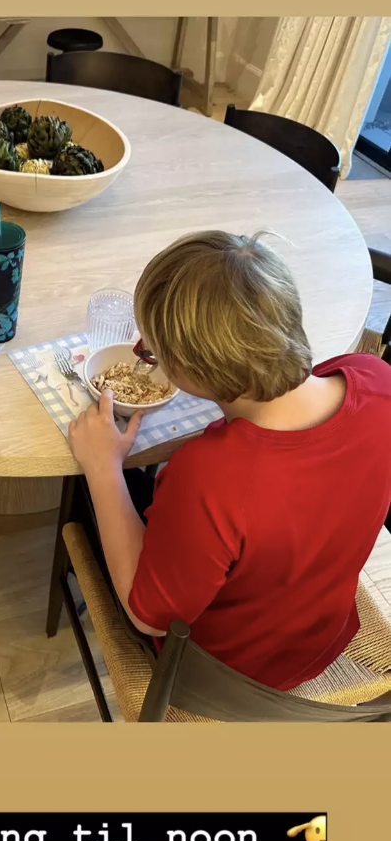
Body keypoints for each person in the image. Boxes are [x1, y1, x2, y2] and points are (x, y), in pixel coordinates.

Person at [69, 230, 391, 691]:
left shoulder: (209, 476)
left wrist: (102, 467)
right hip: (321, 632)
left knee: (95, 496)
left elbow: (149, 617)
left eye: (154, 348)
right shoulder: (375, 376)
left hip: (227, 675)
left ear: (186, 372)